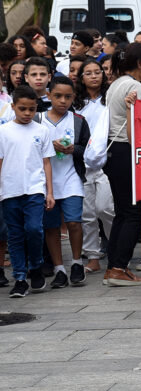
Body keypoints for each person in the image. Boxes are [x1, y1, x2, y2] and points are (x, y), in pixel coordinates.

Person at [102, 43, 141, 288]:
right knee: (133, 213)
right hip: (127, 150)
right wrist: (140, 156)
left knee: (123, 212)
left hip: (114, 152)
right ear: (140, 62)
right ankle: (118, 268)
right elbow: (136, 126)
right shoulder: (135, 86)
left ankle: (114, 266)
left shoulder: (116, 84)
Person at [0, 87, 55, 297]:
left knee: (34, 229)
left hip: (34, 189)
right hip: (10, 189)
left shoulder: (41, 131)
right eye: (22, 109)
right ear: (13, 107)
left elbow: (46, 162)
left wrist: (49, 192)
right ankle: (20, 277)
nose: (27, 113)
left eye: (31, 109)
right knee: (15, 234)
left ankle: (36, 265)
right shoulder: (4, 131)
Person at [41, 76, 89, 289]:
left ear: (74, 98)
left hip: (71, 177)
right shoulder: (37, 120)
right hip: (44, 181)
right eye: (58, 96)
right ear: (49, 95)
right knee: (51, 226)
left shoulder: (78, 121)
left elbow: (86, 148)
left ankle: (77, 263)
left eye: (68, 97)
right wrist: (49, 145)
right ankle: (59, 269)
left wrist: (73, 150)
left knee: (73, 222)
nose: (63, 101)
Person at [74, 58, 112, 275]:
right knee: (87, 213)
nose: (94, 76)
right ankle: (93, 256)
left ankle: (116, 248)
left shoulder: (109, 100)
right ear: (81, 78)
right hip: (83, 163)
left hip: (107, 161)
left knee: (106, 208)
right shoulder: (76, 103)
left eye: (97, 72)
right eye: (88, 73)